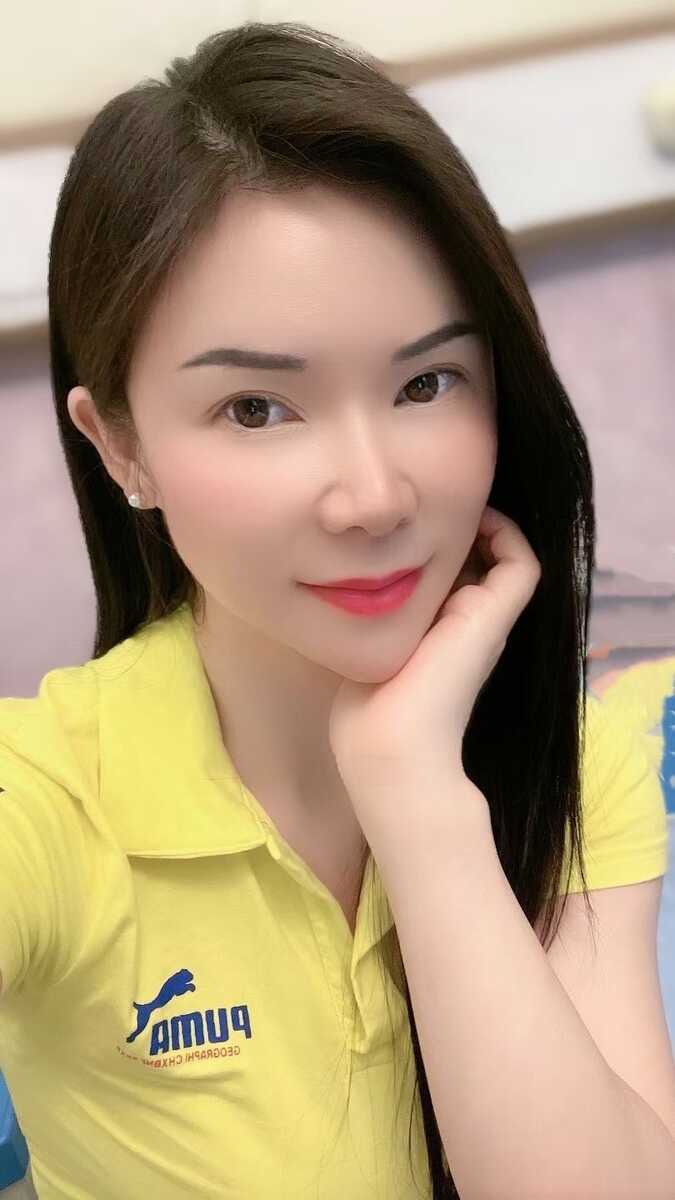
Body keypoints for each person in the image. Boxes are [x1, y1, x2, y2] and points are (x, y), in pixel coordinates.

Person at [0, 20, 668, 1200]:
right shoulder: (47, 798)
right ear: (121, 447)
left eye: (427, 382)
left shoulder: (575, 757)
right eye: (256, 409)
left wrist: (416, 794)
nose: (374, 497)